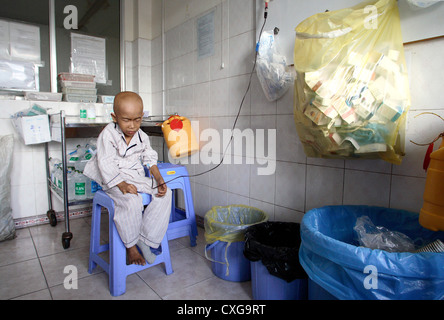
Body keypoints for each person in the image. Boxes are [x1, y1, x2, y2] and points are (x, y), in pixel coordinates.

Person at [84, 91, 172, 266]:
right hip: (112, 178)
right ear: (115, 117)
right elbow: (106, 164)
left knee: (165, 192)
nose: (132, 125)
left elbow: (149, 158)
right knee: (132, 201)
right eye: (126, 120)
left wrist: (159, 178)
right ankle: (131, 247)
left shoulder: (141, 136)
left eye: (137, 120)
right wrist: (122, 184)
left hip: (133, 175)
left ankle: (145, 239)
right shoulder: (108, 135)